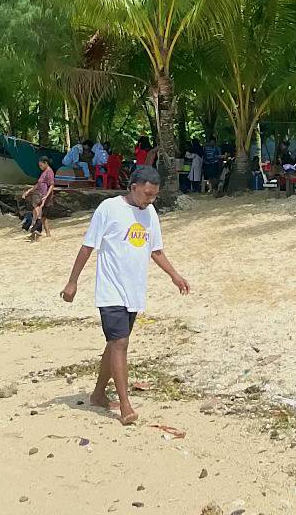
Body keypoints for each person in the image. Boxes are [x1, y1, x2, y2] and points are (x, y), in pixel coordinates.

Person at [60, 166, 190, 426]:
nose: (150, 200)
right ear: (133, 187)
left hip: (134, 290)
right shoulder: (108, 208)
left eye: (153, 196)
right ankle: (125, 405)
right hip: (110, 290)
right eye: (146, 194)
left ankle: (98, 394)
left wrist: (175, 276)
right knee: (120, 344)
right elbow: (88, 246)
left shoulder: (150, 213)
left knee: (115, 343)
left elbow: (156, 251)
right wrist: (72, 282)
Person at [25, 155, 56, 241]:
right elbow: (39, 184)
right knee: (42, 216)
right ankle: (46, 233)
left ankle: (37, 232)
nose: (40, 167)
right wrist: (29, 190)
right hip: (41, 196)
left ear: (46, 163)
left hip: (45, 197)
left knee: (39, 214)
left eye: (41, 165)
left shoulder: (49, 172)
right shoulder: (44, 172)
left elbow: (51, 185)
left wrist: (46, 196)